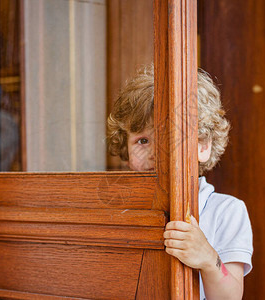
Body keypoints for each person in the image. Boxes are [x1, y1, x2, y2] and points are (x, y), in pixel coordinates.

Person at [107, 66, 253, 300]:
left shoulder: (227, 211)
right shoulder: (120, 209)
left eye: (170, 138)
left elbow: (230, 297)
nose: (156, 152)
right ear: (125, 148)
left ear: (203, 145)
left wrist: (207, 258)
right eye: (142, 140)